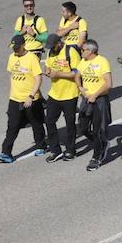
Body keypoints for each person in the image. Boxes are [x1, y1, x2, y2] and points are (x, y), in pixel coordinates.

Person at [0, 34, 47, 163]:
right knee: (12, 126)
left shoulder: (32, 58)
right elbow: (12, 75)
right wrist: (12, 92)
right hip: (15, 98)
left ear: (24, 45)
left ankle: (41, 145)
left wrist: (31, 96)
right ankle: (6, 153)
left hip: (31, 99)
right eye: (13, 48)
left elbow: (38, 78)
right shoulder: (12, 57)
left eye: (17, 48)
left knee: (36, 123)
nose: (15, 50)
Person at [43, 34, 80, 163]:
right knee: (49, 121)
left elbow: (76, 72)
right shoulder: (50, 52)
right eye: (50, 47)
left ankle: (70, 150)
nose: (52, 49)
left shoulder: (71, 51)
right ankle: (56, 150)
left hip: (70, 94)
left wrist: (59, 74)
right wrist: (47, 71)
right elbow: (47, 65)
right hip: (54, 94)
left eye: (53, 46)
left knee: (70, 123)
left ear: (59, 43)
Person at [77, 39, 113, 171]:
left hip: (99, 101)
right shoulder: (83, 61)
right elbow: (77, 74)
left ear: (91, 51)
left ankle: (96, 157)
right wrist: (80, 87)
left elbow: (108, 84)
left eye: (83, 49)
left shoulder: (102, 62)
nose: (81, 51)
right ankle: (102, 143)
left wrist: (95, 95)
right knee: (83, 128)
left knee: (97, 130)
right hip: (86, 100)